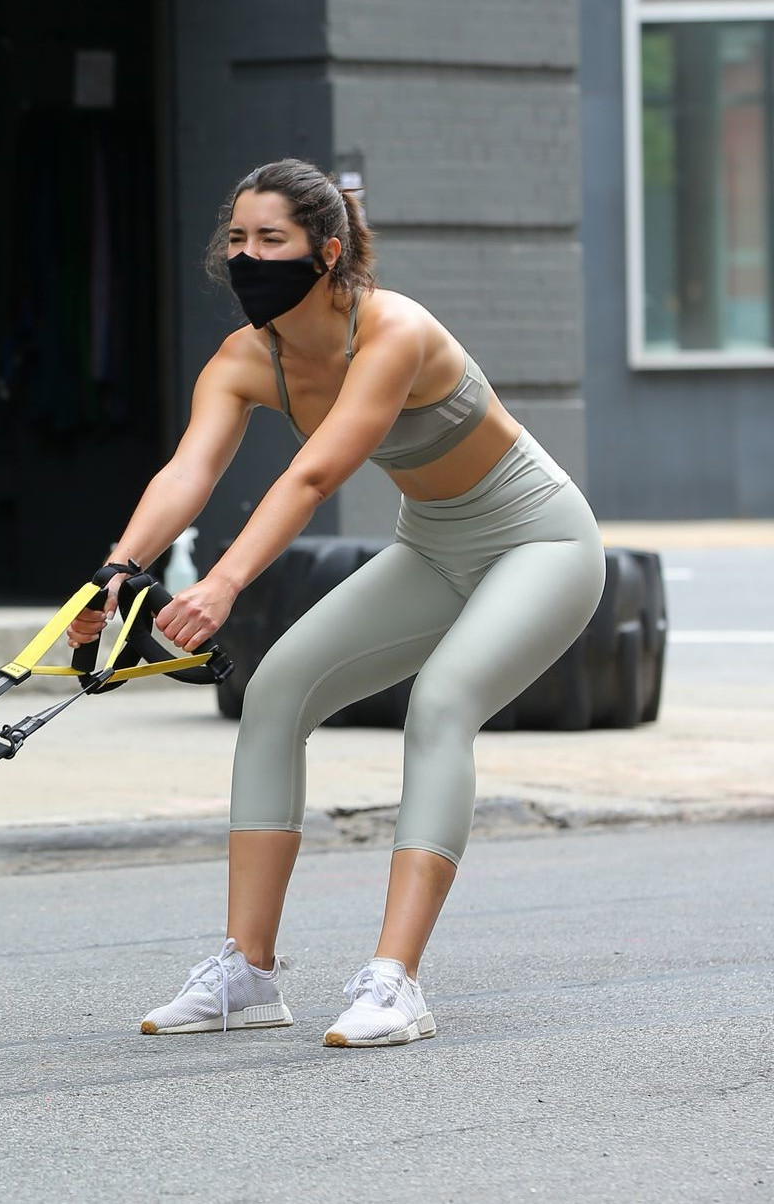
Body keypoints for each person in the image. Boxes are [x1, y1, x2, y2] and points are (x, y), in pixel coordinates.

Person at [69, 159, 604, 1047]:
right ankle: (248, 971)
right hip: (433, 548)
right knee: (277, 692)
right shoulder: (245, 359)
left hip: (541, 544)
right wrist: (117, 570)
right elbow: (188, 471)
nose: (248, 257)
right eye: (237, 240)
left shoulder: (394, 330)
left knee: (441, 704)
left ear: (327, 251)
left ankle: (395, 982)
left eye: (270, 239)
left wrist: (223, 581)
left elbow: (315, 475)